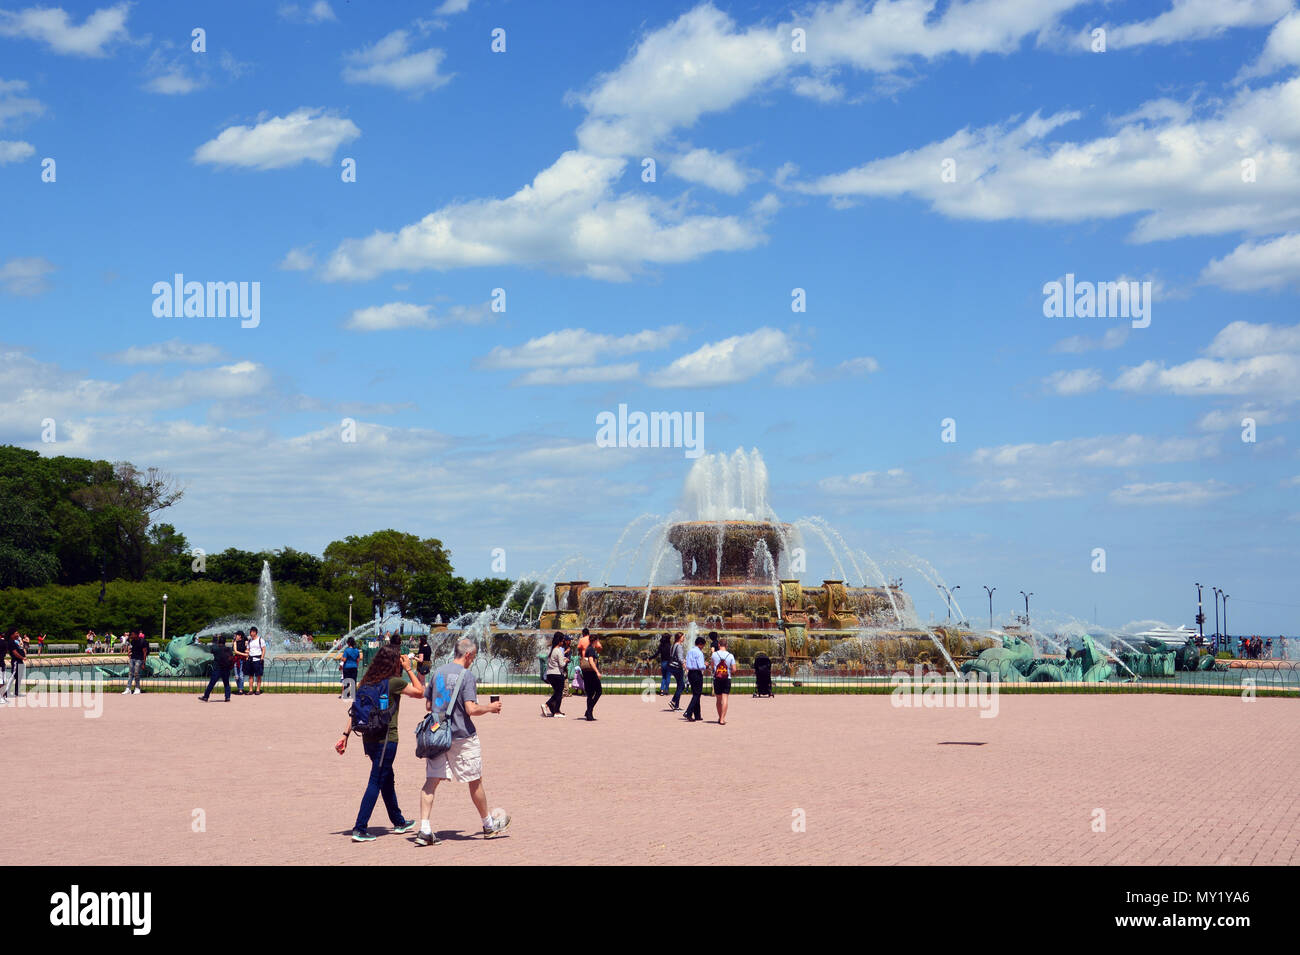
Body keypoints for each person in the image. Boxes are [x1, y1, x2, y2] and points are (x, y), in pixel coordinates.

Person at [416, 637, 509, 845]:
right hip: (462, 736)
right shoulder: (466, 676)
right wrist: (490, 708)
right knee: (475, 781)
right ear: (467, 655)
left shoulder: (438, 672)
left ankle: (424, 828)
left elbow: (429, 706)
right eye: (473, 657)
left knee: (431, 781)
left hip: (438, 733)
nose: (473, 661)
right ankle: (488, 825)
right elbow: (471, 709)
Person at [335, 645, 424, 842]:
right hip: (386, 739)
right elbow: (420, 692)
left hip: (369, 738)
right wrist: (409, 668)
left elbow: (355, 711)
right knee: (376, 780)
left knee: (386, 778)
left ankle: (398, 821)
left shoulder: (365, 683)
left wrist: (345, 735)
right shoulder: (393, 682)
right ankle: (360, 828)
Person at [199, 635, 235, 702]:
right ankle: (227, 697)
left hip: (217, 668)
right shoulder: (228, 649)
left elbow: (211, 650)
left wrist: (215, 641)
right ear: (225, 642)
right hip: (226, 668)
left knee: (212, 683)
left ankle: (206, 696)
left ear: (219, 641)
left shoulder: (216, 648)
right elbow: (231, 657)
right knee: (226, 683)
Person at [711, 636, 736, 725]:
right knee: (725, 698)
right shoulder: (730, 655)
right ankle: (722, 718)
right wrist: (729, 671)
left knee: (718, 699)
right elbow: (734, 669)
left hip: (717, 678)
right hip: (727, 678)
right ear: (727, 645)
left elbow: (712, 666)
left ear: (718, 645)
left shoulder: (714, 654)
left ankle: (719, 717)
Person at [542, 632, 568, 718]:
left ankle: (554, 709)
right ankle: (549, 706)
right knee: (559, 693)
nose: (563, 642)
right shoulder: (558, 650)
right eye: (563, 640)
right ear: (559, 641)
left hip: (550, 674)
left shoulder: (552, 650)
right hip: (557, 674)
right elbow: (561, 664)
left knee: (557, 693)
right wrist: (566, 661)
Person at [683, 635, 707, 722]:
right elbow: (701, 666)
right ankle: (688, 712)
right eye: (703, 645)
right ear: (700, 644)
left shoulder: (690, 651)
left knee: (696, 694)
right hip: (697, 673)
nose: (703, 647)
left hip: (690, 673)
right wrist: (706, 665)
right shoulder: (699, 653)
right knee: (697, 694)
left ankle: (697, 715)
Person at [582, 633, 603, 721]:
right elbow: (591, 661)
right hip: (591, 674)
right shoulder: (591, 649)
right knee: (598, 691)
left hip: (587, 674)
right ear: (596, 640)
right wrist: (597, 672)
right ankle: (589, 712)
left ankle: (589, 712)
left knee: (590, 694)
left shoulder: (590, 648)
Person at [123, 630, 149, 695]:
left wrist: (143, 663)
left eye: (132, 634)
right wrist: (129, 652)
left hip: (139, 659)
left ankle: (137, 688)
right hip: (133, 658)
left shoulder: (143, 642)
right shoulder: (133, 641)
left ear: (136, 635)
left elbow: (145, 652)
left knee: (136, 673)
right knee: (130, 673)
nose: (131, 636)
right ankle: (128, 688)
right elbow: (132, 648)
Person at [668, 632, 686, 711]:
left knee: (680, 685)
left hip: (672, 666)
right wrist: (684, 666)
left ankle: (676, 706)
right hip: (677, 667)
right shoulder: (679, 646)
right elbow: (680, 658)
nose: (684, 638)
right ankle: (673, 701)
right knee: (681, 686)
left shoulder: (674, 645)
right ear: (680, 638)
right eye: (683, 637)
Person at [246, 626, 266, 695]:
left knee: (258, 675)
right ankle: (251, 690)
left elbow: (263, 649)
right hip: (250, 660)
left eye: (252, 632)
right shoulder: (249, 641)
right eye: (250, 632)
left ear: (255, 632)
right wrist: (246, 657)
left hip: (258, 659)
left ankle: (258, 690)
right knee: (250, 676)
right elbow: (248, 650)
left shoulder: (260, 640)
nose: (251, 633)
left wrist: (262, 658)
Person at [232, 630, 249, 695]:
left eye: (236, 635)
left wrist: (247, 654)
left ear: (240, 636)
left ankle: (240, 690)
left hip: (243, 660)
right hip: (236, 660)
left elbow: (247, 649)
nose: (235, 636)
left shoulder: (245, 641)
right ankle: (239, 688)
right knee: (236, 676)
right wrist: (244, 654)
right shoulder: (235, 642)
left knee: (241, 675)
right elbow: (235, 651)